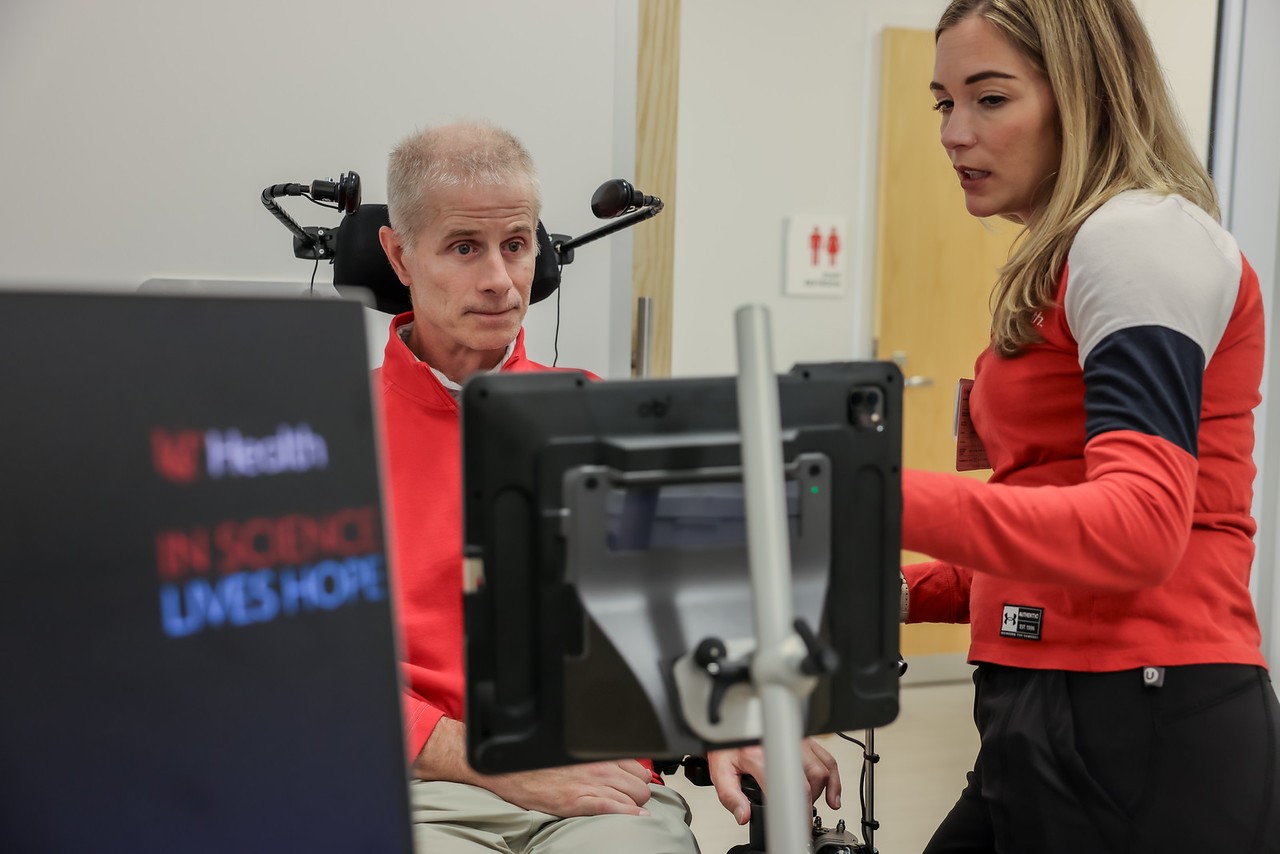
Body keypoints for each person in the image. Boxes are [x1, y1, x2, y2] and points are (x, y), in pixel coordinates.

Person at [373, 120, 839, 853]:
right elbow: (295, 673)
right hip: (425, 788)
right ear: (400, 254)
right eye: (465, 247)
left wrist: (734, 716)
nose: (499, 279)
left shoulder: (602, 415)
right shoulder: (332, 433)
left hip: (601, 787)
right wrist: (499, 762)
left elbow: (683, 612)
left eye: (518, 245)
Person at [904, 1, 1280, 852]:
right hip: (1046, 698)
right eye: (943, 103)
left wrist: (854, 491)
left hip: (1144, 710)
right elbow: (1048, 525)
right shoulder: (1068, 254)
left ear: (1084, 94)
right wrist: (895, 593)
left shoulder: (1137, 238)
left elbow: (1138, 531)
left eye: (990, 99)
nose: (955, 134)